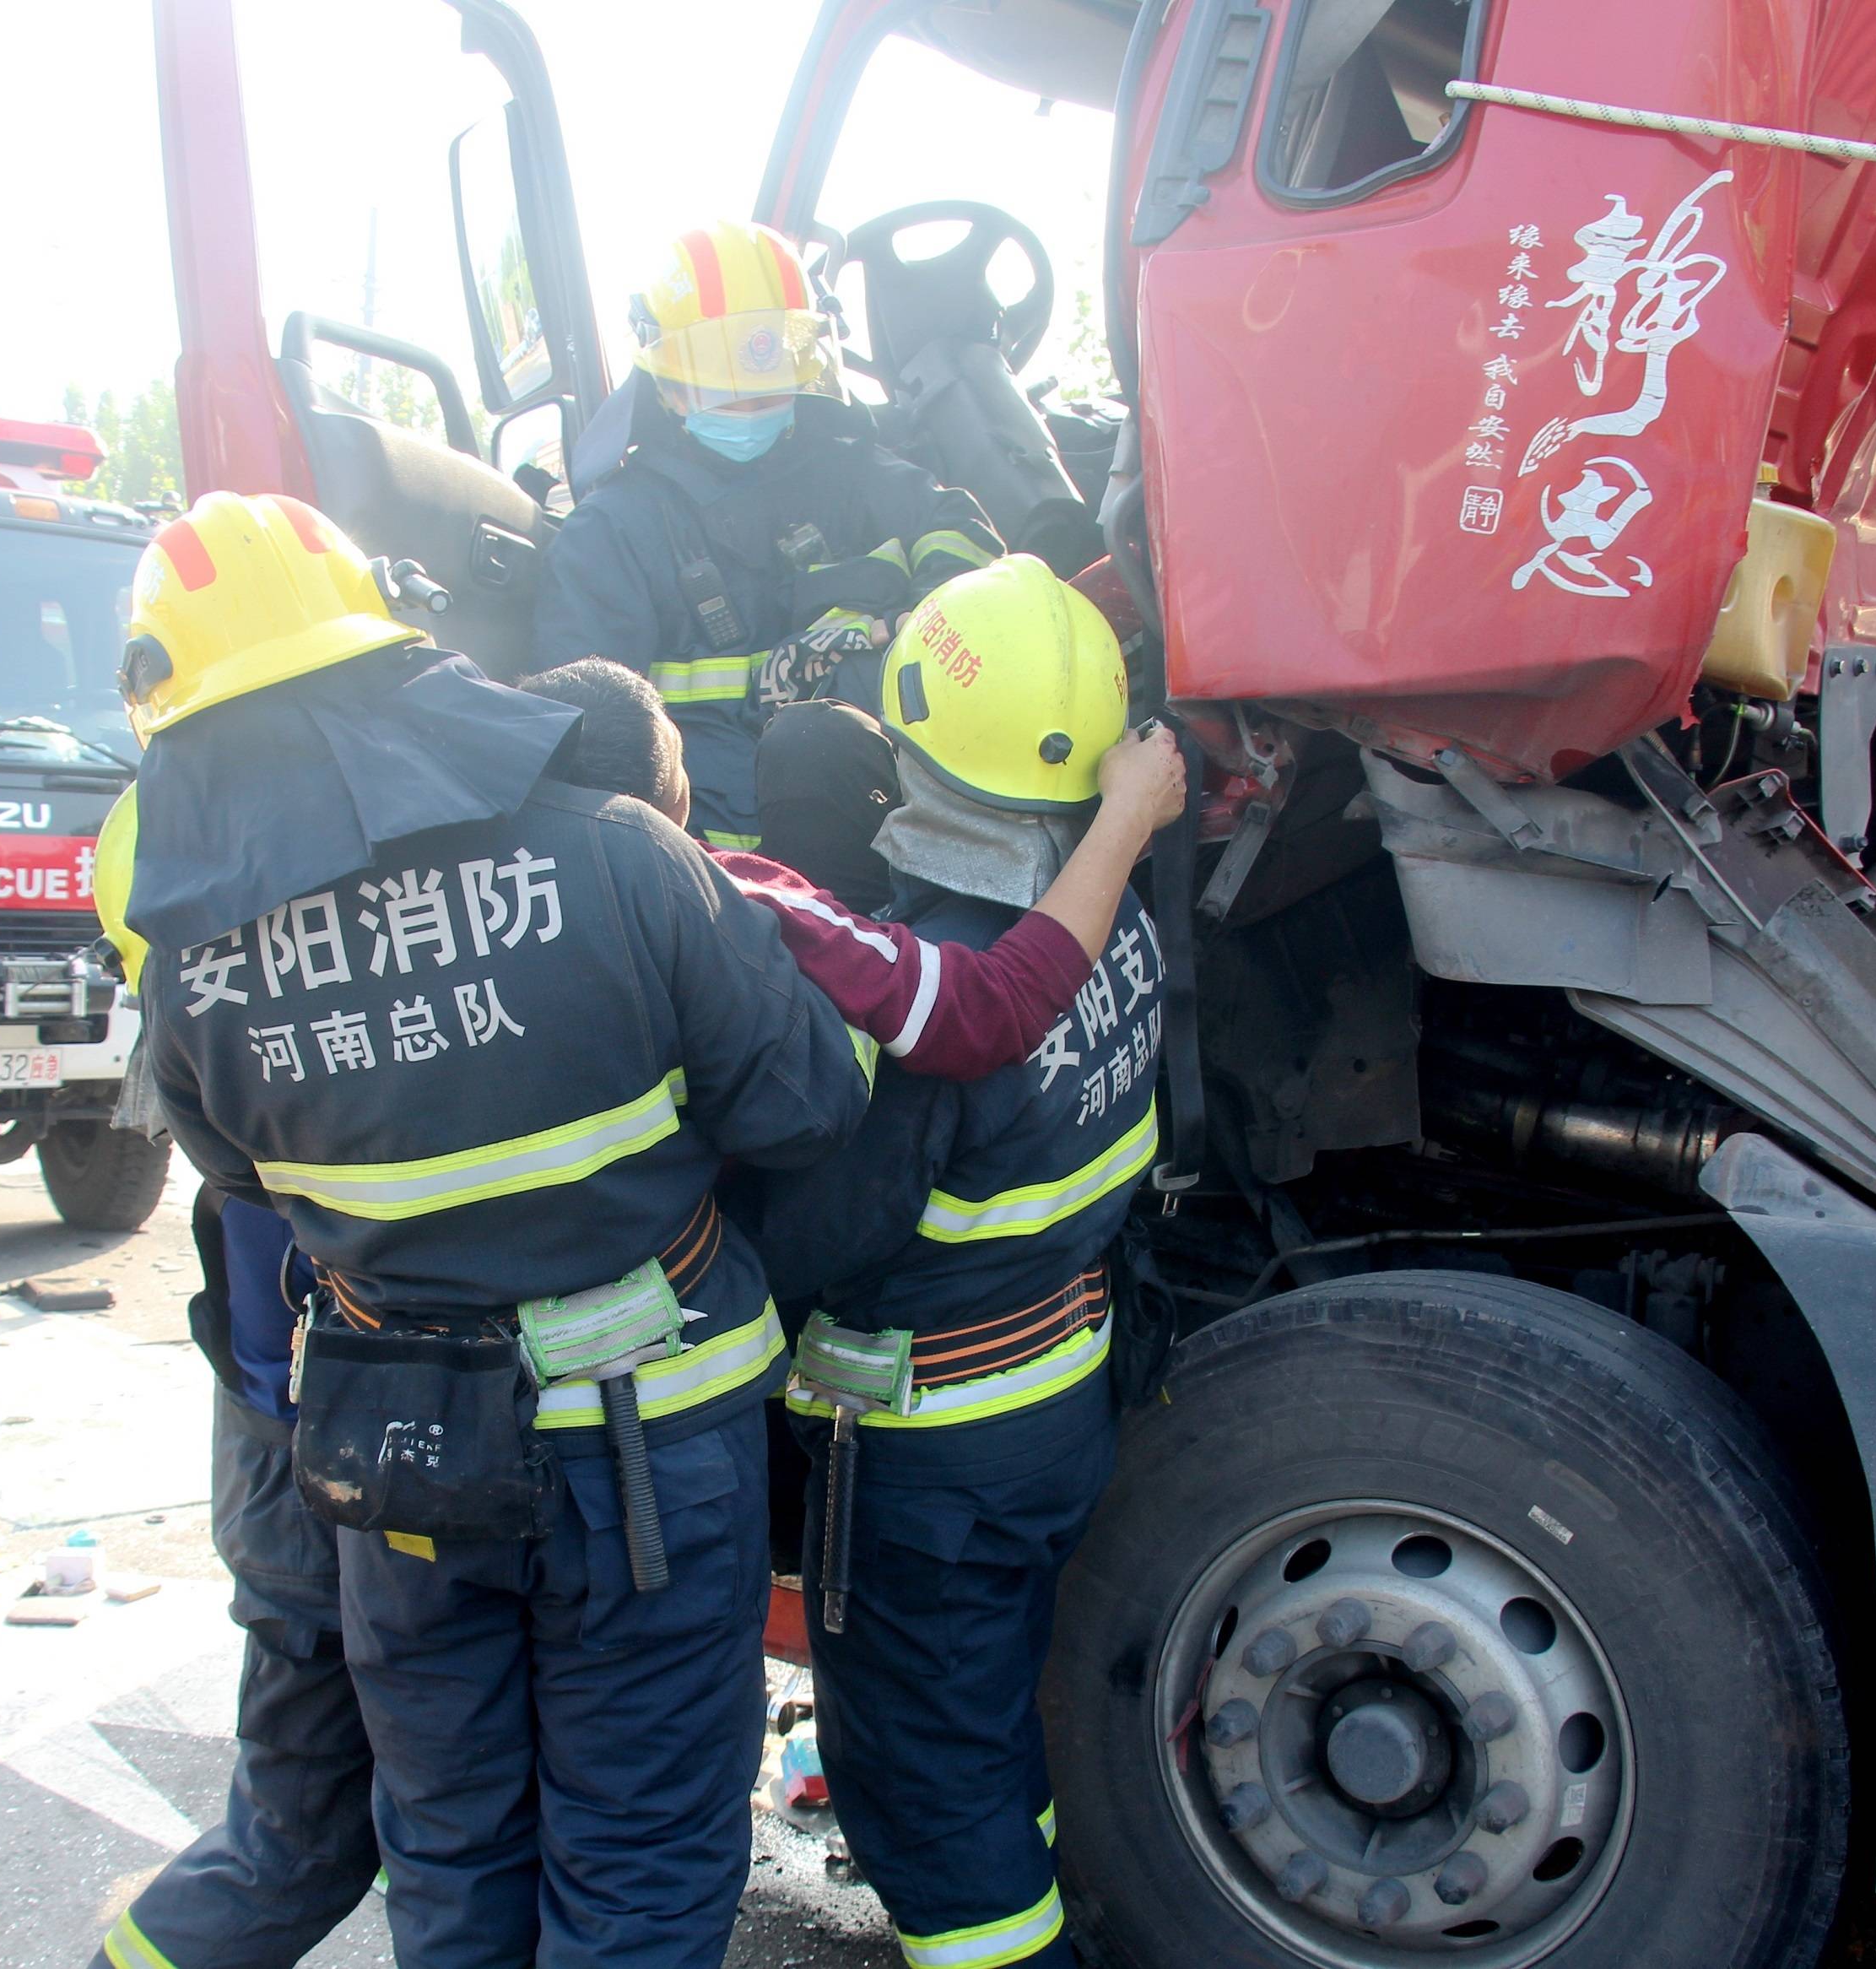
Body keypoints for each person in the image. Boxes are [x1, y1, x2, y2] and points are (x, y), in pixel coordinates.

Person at [119, 490, 872, 1969]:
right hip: (640, 1454)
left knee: (454, 1857)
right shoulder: (621, 854)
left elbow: (249, 1195)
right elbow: (809, 1101)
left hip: (399, 1466)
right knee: (640, 1865)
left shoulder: (192, 974)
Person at [753, 554, 1170, 1969]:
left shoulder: (930, 993)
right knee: (992, 1742)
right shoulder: (1114, 917)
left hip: (927, 1453)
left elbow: (828, 1236)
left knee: (931, 1802)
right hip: (1058, 1403)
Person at [87, 805, 384, 1969]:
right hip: (316, 1527)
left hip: (288, 1508)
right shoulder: (297, 1112)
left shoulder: (240, 1089)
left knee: (303, 1838)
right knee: (294, 1849)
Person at [534, 219, 1003, 851]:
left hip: (895, 815)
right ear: (669, 386)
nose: (754, 409)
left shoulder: (846, 467)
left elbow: (965, 539)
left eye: (769, 384)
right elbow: (595, 751)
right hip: (731, 864)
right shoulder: (610, 532)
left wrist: (898, 624)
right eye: (728, 392)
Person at [513, 658, 1184, 1082]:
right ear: (668, 797)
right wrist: (1127, 814)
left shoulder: (443, 901)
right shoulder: (722, 894)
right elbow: (984, 1009)